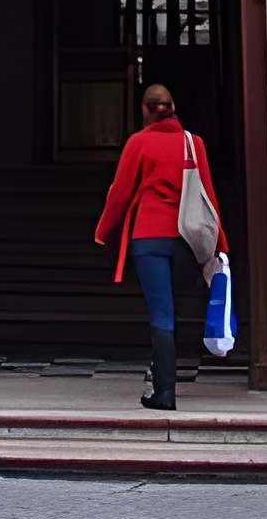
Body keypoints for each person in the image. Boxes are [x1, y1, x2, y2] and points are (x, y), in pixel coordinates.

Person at [93, 80, 226, 411]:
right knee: (175, 309)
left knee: (161, 313)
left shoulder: (138, 143)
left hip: (148, 238)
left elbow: (120, 192)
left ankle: (164, 391)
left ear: (144, 109)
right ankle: (163, 380)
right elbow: (208, 195)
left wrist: (103, 231)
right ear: (173, 107)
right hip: (185, 241)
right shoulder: (194, 143)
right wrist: (220, 244)